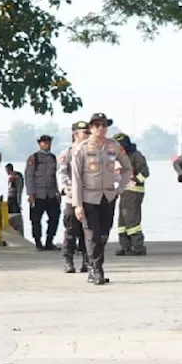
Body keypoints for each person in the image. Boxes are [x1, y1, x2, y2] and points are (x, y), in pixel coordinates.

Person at [68, 112, 134, 285]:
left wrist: (120, 188)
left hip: (108, 196)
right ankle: (97, 270)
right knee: (93, 235)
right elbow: (76, 178)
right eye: (97, 125)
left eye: (104, 125)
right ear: (91, 128)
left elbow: (127, 168)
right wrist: (77, 205)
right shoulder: (81, 149)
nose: (101, 128)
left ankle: (92, 266)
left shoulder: (114, 146)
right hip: (89, 196)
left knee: (104, 234)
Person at [58, 122, 90, 273]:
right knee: (71, 231)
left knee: (88, 232)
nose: (88, 135)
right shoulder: (67, 153)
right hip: (72, 198)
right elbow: (62, 173)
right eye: (85, 132)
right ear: (75, 135)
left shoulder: (92, 152)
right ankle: (68, 261)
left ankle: (87, 261)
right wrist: (65, 188)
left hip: (89, 197)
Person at [113, 133, 150, 256]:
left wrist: (135, 180)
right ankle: (126, 246)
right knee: (122, 222)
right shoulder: (120, 157)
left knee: (132, 220)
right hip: (124, 192)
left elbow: (145, 172)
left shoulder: (136, 156)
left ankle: (138, 247)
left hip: (134, 192)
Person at [26, 135, 60, 251]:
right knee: (35, 220)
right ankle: (38, 243)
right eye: (45, 143)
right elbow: (29, 176)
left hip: (50, 193)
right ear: (40, 144)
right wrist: (30, 194)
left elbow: (55, 176)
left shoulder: (52, 158)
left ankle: (49, 241)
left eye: (49, 143)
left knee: (55, 217)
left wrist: (58, 192)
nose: (47, 145)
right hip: (38, 194)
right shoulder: (34, 158)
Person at [5, 163, 25, 234]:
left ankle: (18, 232)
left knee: (16, 216)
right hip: (10, 199)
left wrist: (19, 202)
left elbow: (19, 190)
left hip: (15, 199)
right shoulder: (11, 177)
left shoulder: (16, 177)